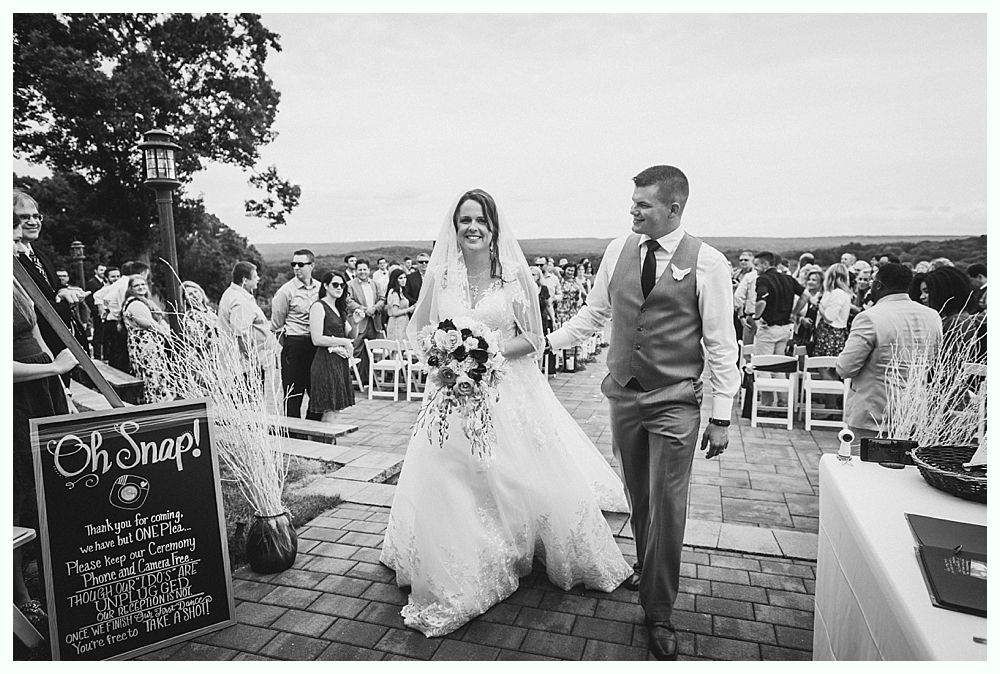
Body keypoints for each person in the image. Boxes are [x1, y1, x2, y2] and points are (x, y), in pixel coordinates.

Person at [381, 188, 631, 638]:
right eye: (463, 221)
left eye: (480, 220)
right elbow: (419, 329)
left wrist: (484, 354)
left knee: (510, 473)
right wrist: (442, 360)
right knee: (450, 476)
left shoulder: (516, 277)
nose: (471, 227)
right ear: (454, 229)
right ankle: (461, 558)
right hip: (450, 396)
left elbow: (533, 337)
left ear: (494, 227)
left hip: (506, 392)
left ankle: (514, 543)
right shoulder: (440, 277)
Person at [548, 166, 740, 660]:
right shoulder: (617, 251)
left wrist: (721, 415)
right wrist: (544, 343)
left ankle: (659, 611)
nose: (632, 210)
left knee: (668, 502)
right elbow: (594, 314)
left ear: (674, 208)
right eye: (632, 202)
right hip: (625, 396)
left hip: (676, 400)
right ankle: (645, 566)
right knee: (639, 495)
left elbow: (721, 345)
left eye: (643, 204)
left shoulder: (709, 263)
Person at [836, 263, 942, 450]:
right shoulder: (932, 316)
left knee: (861, 472)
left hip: (872, 413)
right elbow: (933, 361)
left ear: (878, 285)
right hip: (913, 412)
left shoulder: (869, 317)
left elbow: (846, 368)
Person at [13, 189, 87, 357]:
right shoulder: (12, 261)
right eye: (24, 217)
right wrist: (64, 304)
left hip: (61, 349)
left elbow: (51, 289)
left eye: (36, 216)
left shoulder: (40, 254)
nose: (33, 222)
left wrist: (64, 291)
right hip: (37, 353)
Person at [271, 249, 319, 418]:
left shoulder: (320, 288)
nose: (296, 268)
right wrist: (290, 344)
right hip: (295, 344)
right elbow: (276, 325)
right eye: (294, 264)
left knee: (316, 392)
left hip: (316, 345)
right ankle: (294, 435)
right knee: (293, 394)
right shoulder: (286, 291)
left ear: (312, 265)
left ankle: (312, 432)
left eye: (301, 264)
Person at [218, 261, 277, 386]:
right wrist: (252, 361)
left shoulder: (234, 294)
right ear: (245, 280)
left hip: (242, 365)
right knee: (250, 403)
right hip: (245, 368)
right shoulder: (240, 301)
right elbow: (241, 335)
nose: (258, 279)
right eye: (255, 277)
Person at [307, 271, 357, 421]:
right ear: (326, 286)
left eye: (342, 285)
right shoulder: (318, 306)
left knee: (335, 410)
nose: (339, 288)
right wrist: (344, 342)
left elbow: (351, 335)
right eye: (335, 284)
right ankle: (325, 443)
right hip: (325, 363)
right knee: (328, 408)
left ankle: (330, 442)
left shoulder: (339, 308)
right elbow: (317, 339)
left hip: (339, 363)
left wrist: (356, 321)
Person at [121, 275, 172, 403]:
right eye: (136, 285)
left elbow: (158, 320)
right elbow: (147, 323)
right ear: (130, 288)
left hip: (150, 345)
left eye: (143, 284)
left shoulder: (145, 301)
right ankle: (154, 402)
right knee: (150, 375)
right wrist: (167, 334)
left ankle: (159, 399)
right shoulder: (135, 303)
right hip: (144, 345)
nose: (140, 287)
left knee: (156, 373)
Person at [923, 265, 986, 361]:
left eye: (927, 292)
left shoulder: (957, 322)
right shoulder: (956, 319)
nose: (922, 297)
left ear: (943, 292)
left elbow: (950, 362)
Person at [346, 258, 386, 383]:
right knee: (357, 350)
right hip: (359, 322)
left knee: (371, 351)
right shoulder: (350, 285)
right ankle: (357, 380)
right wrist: (363, 309)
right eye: (360, 269)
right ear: (356, 271)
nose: (362, 272)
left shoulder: (375, 284)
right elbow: (348, 301)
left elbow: (382, 299)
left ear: (369, 270)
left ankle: (368, 379)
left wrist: (374, 308)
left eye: (365, 269)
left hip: (373, 321)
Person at [811, 263, 853, 357]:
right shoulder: (839, 293)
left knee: (823, 365)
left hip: (830, 334)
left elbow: (829, 317)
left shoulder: (837, 293)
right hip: (833, 334)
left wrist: (819, 306)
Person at [180, 280, 218, 350]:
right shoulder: (190, 316)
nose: (195, 295)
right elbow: (199, 341)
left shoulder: (210, 310)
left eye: (196, 291)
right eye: (190, 294)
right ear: (185, 299)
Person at [384, 267, 413, 344]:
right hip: (397, 324)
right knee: (397, 348)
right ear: (395, 280)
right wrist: (409, 309)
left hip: (403, 323)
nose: (403, 280)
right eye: (400, 278)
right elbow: (394, 312)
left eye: (404, 278)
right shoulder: (395, 293)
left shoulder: (401, 291)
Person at [86, 263, 107, 358]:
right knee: (98, 335)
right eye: (101, 270)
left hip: (105, 312)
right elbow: (90, 300)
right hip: (97, 313)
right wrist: (97, 312)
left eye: (104, 270)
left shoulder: (104, 282)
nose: (103, 272)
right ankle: (97, 355)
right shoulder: (92, 282)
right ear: (96, 271)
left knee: (104, 334)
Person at [555, 261, 584, 326]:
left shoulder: (576, 281)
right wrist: (562, 270)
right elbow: (555, 269)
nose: (570, 272)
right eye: (568, 270)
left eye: (572, 271)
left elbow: (580, 292)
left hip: (574, 307)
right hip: (562, 307)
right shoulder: (561, 279)